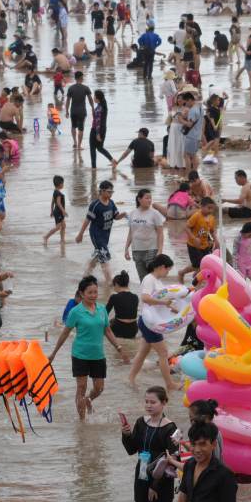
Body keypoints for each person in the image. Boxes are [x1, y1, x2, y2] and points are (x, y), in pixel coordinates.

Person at [49, 275, 125, 420]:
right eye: (90, 292)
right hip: (80, 355)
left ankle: (89, 400)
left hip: (98, 355)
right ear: (82, 294)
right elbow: (65, 333)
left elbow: (107, 330)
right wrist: (53, 353)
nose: (93, 295)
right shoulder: (75, 312)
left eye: (95, 292)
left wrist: (119, 347)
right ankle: (82, 422)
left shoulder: (102, 309)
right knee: (81, 387)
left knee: (99, 388)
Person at [120, 386, 180, 502]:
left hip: (160, 483)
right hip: (141, 476)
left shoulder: (171, 428)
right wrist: (126, 434)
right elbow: (131, 450)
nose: (148, 405)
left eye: (153, 402)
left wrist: (155, 486)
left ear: (164, 403)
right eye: (146, 401)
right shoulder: (141, 422)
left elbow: (173, 462)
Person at [166, 422, 237, 502]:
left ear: (213, 444)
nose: (197, 450)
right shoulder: (189, 466)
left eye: (202, 444)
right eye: (193, 444)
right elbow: (182, 501)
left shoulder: (225, 475)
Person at [128, 254, 178, 389]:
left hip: (150, 322)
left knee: (143, 352)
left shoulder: (158, 281)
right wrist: (164, 302)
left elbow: (159, 304)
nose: (168, 273)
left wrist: (174, 310)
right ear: (162, 267)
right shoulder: (149, 279)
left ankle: (130, 379)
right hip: (149, 322)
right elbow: (145, 298)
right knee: (163, 353)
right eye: (168, 270)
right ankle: (170, 384)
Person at [76, 180, 126, 282]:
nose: (111, 193)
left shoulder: (111, 203)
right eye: (109, 191)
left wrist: (124, 214)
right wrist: (80, 234)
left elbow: (116, 216)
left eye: (112, 191)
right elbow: (87, 220)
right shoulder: (95, 205)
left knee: (98, 256)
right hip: (96, 234)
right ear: (102, 191)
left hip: (105, 235)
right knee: (104, 257)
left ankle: (85, 276)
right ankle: (110, 282)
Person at [125, 189, 166, 280]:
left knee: (152, 278)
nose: (149, 200)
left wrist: (160, 250)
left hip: (151, 250)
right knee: (143, 279)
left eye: (150, 198)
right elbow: (131, 233)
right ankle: (145, 294)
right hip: (136, 251)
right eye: (147, 198)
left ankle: (154, 294)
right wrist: (126, 249)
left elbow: (160, 233)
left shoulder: (155, 214)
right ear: (139, 199)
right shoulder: (132, 213)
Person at [179, 198, 220, 283]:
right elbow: (186, 227)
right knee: (197, 266)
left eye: (212, 209)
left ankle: (195, 275)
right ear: (201, 206)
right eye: (209, 208)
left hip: (205, 245)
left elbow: (212, 231)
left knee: (204, 264)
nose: (210, 210)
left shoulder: (212, 218)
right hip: (193, 245)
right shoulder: (197, 216)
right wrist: (194, 238)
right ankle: (183, 273)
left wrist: (216, 240)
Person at [43, 175, 67, 246]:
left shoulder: (55, 192)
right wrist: (63, 211)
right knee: (58, 227)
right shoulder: (58, 193)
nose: (63, 185)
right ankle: (46, 237)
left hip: (57, 211)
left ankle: (62, 240)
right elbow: (59, 203)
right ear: (60, 184)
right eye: (63, 183)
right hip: (59, 212)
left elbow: (53, 202)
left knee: (63, 226)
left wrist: (51, 211)